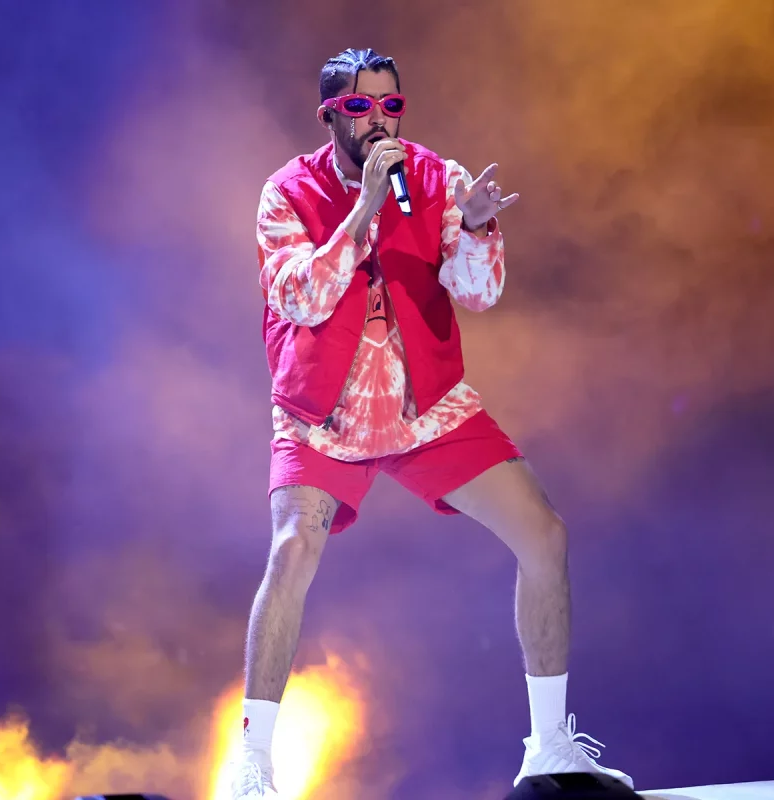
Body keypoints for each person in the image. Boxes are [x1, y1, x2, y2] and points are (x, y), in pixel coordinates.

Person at [228, 48, 633, 798]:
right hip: (326, 409)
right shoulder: (286, 193)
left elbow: (477, 294)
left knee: (544, 534)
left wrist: (474, 227)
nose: (377, 119)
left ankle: (547, 747)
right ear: (329, 116)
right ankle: (253, 765)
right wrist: (365, 208)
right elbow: (304, 300)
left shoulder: (438, 177)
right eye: (359, 107)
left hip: (425, 403)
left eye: (389, 104)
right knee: (291, 552)